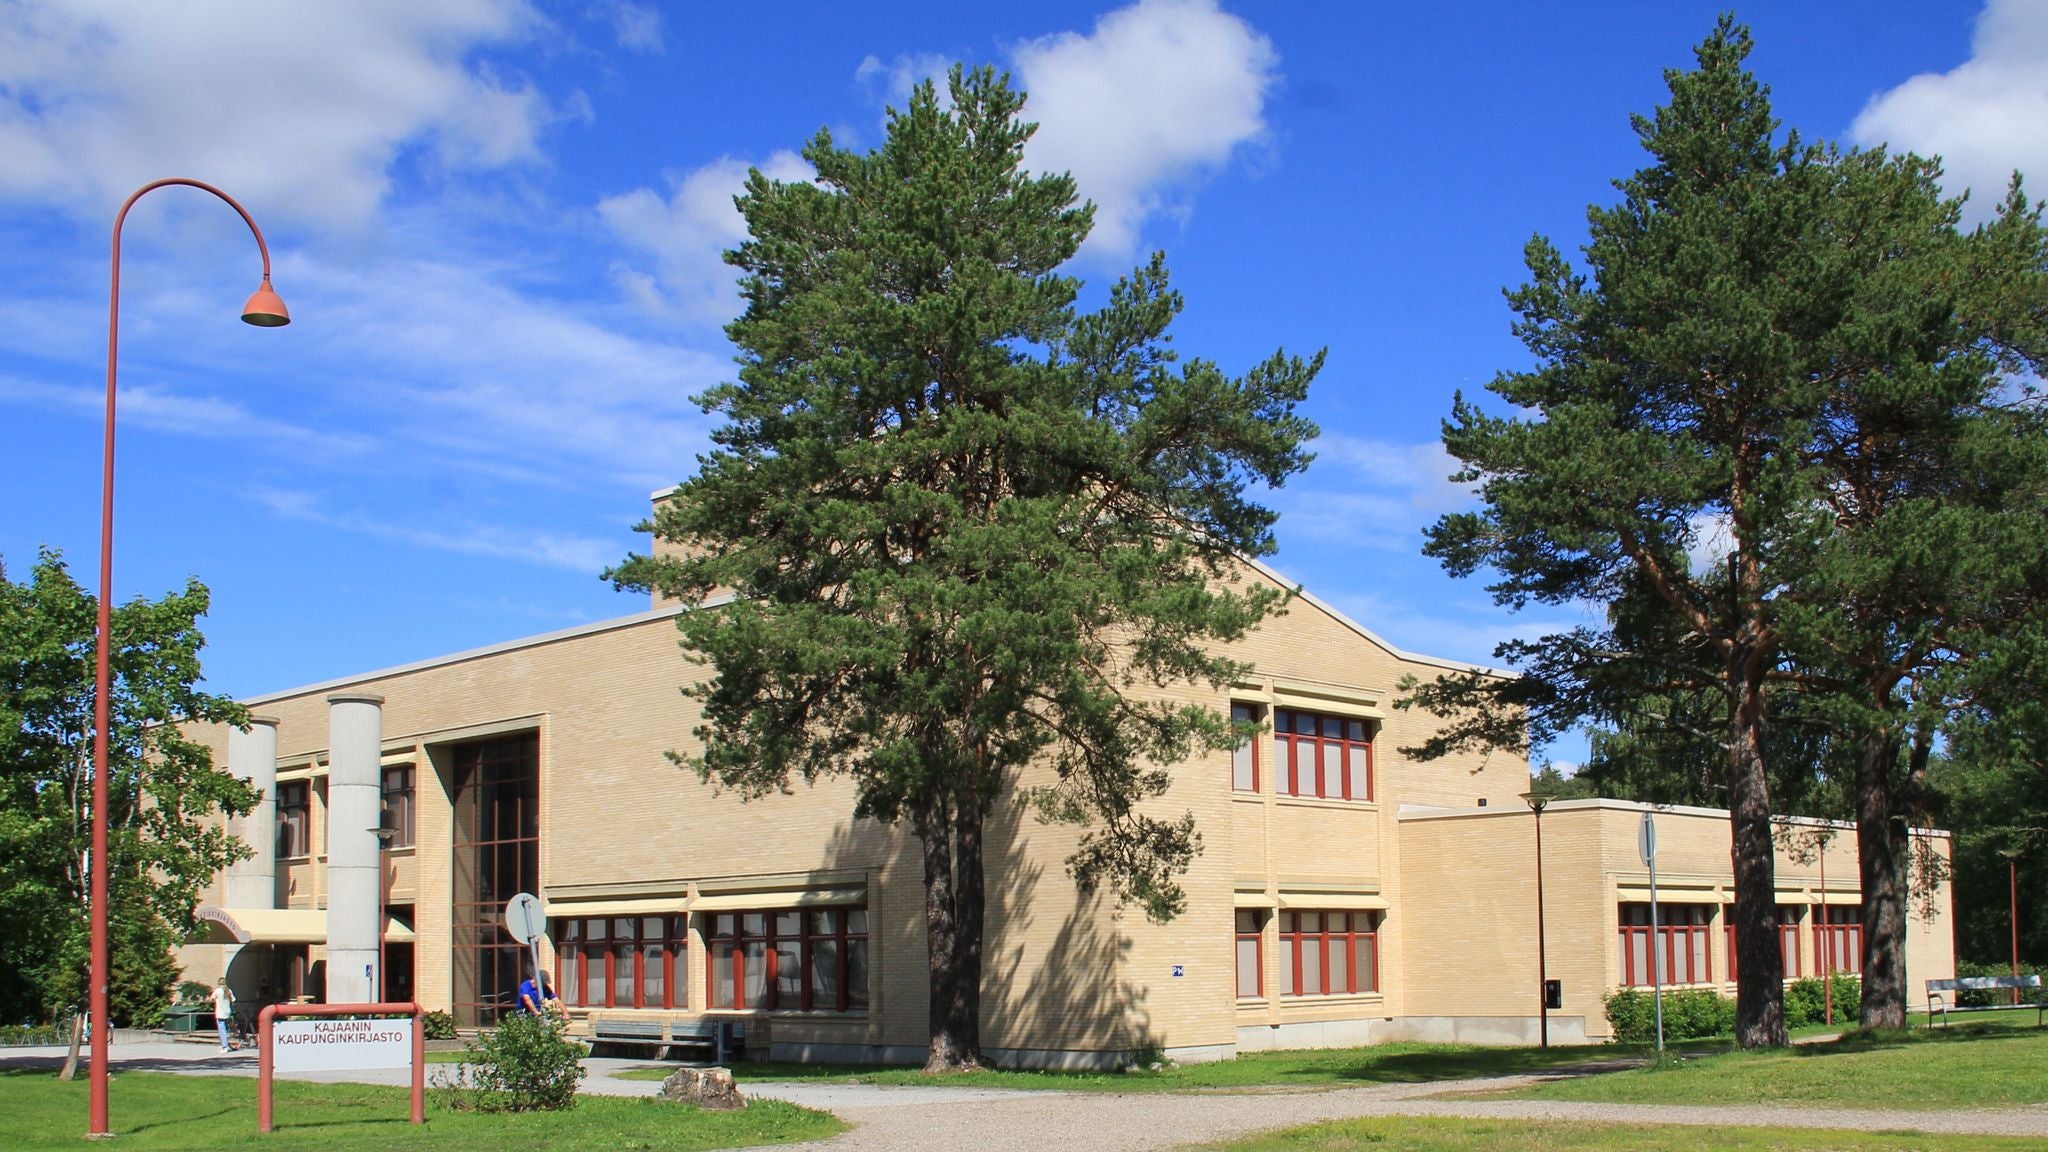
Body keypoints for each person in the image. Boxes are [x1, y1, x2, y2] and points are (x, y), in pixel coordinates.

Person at [211, 976, 237, 1052]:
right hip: (227, 1012)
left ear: (219, 983)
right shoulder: (228, 990)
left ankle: (225, 1047)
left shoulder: (218, 991)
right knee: (225, 1029)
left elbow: (211, 998)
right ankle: (224, 1044)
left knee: (222, 1030)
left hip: (220, 1013)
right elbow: (233, 1000)